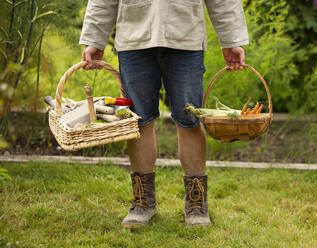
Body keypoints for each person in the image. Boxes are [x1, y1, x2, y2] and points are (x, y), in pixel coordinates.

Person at [80, 0, 248, 227]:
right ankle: (143, 202)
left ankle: (197, 204)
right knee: (138, 121)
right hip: (134, 35)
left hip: (184, 35)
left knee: (190, 119)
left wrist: (232, 39)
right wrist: (93, 38)